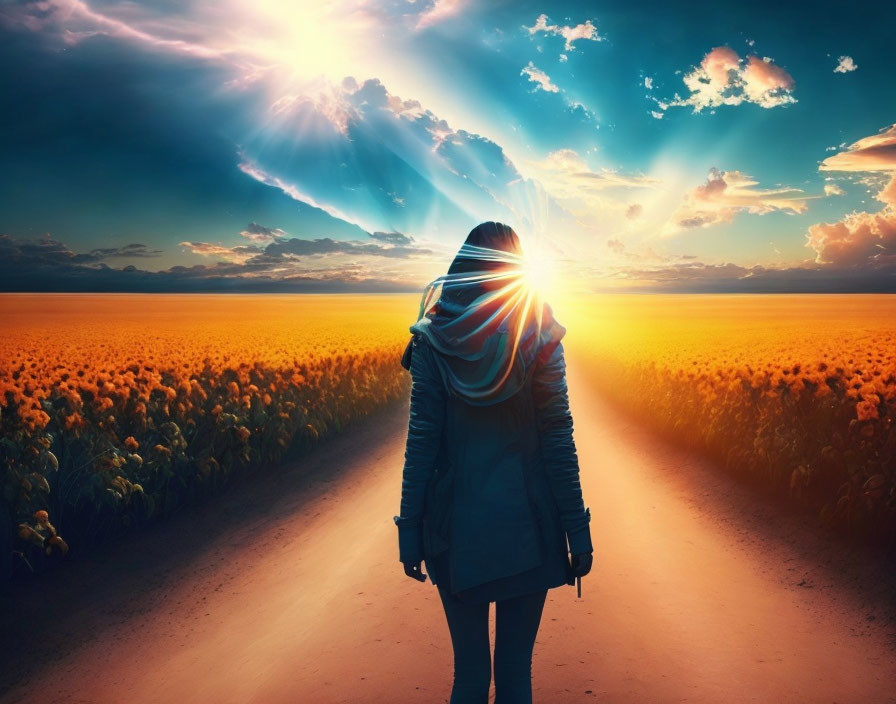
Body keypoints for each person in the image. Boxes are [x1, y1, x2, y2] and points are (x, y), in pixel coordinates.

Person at [393, 221, 594, 704]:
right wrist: (578, 530)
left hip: (454, 533)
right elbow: (558, 440)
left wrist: (410, 533)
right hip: (532, 525)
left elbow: (421, 442)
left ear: (463, 265)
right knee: (515, 676)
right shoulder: (539, 331)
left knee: (468, 677)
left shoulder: (433, 334)